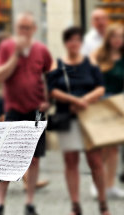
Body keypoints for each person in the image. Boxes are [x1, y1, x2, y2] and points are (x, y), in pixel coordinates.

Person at [47, 26, 110, 215]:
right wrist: (73, 100)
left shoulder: (90, 64)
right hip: (67, 118)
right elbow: (52, 91)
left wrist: (84, 101)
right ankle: (75, 205)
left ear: (81, 43)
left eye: (77, 40)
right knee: (70, 162)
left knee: (95, 161)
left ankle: (103, 203)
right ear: (66, 43)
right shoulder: (57, 65)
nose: (74, 43)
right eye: (70, 40)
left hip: (89, 119)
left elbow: (101, 88)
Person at [0, 12, 52, 215]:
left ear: (34, 29)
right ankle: (0, 204)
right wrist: (15, 56)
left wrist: (47, 100)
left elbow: (47, 78)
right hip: (14, 110)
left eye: (28, 28)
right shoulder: (7, 48)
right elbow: (0, 75)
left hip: (36, 111)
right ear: (16, 29)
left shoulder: (42, 50)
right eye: (21, 28)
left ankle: (30, 202)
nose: (24, 32)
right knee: (8, 157)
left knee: (34, 159)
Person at [91, 24, 124, 198]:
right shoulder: (99, 54)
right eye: (114, 36)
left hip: (118, 103)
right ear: (109, 38)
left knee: (114, 148)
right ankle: (97, 183)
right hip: (100, 102)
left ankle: (110, 186)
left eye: (121, 36)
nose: (118, 40)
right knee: (102, 147)